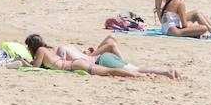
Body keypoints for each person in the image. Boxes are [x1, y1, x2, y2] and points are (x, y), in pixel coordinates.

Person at [23, 33, 177, 78]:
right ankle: (142, 74)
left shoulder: (41, 52)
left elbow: (35, 67)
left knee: (112, 71)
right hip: (78, 63)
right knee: (112, 72)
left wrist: (22, 62)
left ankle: (145, 75)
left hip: (75, 65)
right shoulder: (51, 49)